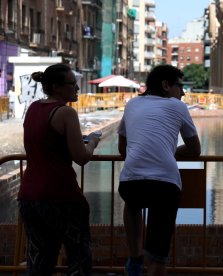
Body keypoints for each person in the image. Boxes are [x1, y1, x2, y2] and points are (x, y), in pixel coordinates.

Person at [17, 63, 101, 275]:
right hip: (61, 196)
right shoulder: (65, 113)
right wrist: (91, 142)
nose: (77, 89)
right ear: (56, 87)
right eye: (73, 84)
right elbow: (81, 157)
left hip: (29, 196)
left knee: (39, 261)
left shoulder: (34, 108)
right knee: (78, 259)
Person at [118, 64, 201, 276]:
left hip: (130, 182)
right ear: (166, 85)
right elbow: (194, 149)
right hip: (165, 185)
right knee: (158, 257)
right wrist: (169, 151)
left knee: (132, 202)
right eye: (179, 86)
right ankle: (152, 260)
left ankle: (135, 258)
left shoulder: (132, 104)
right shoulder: (177, 106)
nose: (182, 92)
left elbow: (122, 147)